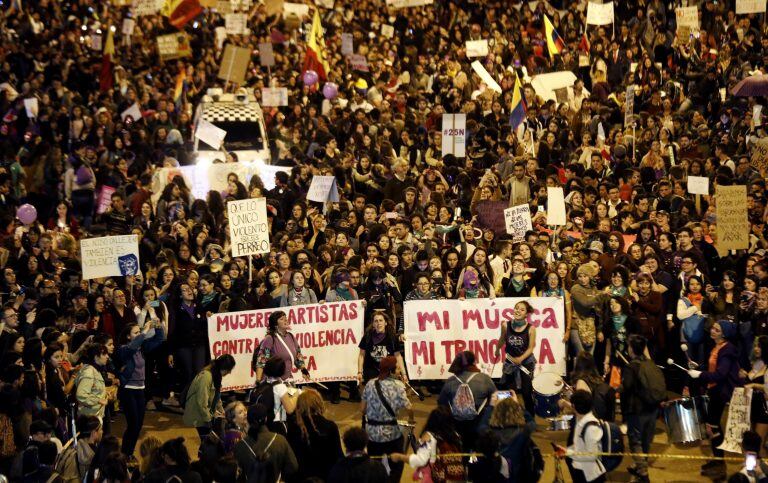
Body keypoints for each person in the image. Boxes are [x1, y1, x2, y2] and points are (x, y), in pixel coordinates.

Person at [688, 320, 742, 479]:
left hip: (721, 392)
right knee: (712, 426)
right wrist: (699, 367)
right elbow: (713, 367)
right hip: (714, 390)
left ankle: (720, 465)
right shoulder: (717, 347)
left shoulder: (728, 350)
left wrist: (700, 375)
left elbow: (720, 375)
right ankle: (717, 460)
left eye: (717, 330)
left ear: (724, 333)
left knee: (713, 427)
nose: (712, 331)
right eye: (713, 328)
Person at [361, 355, 414, 483]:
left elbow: (362, 410)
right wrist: (411, 419)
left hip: (372, 434)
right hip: (392, 434)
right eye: (397, 368)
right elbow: (409, 407)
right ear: (391, 370)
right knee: (397, 463)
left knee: (373, 463)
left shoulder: (370, 384)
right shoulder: (398, 385)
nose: (399, 370)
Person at [620, 335, 665, 483]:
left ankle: (643, 474)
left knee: (635, 442)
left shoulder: (631, 366)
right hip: (652, 409)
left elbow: (627, 388)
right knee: (646, 441)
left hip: (637, 411)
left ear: (631, 348)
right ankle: (639, 466)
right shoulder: (651, 364)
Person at [115, 321, 164, 457]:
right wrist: (144, 332)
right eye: (135, 332)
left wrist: (159, 327)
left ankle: (128, 453)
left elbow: (159, 339)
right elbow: (132, 348)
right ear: (128, 337)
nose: (139, 334)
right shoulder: (123, 349)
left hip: (140, 388)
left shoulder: (141, 347)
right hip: (128, 389)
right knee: (133, 424)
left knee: (138, 424)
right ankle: (126, 453)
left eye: (139, 332)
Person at [438, 350, 496, 450]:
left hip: (457, 427)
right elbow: (496, 398)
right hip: (480, 424)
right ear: (474, 362)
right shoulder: (485, 379)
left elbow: (441, 403)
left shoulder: (450, 381)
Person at [285, 388, 343, 481]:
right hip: (325, 476)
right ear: (319, 404)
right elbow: (338, 456)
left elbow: (290, 460)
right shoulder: (330, 426)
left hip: (301, 477)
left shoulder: (293, 428)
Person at [234, 403, 298, 483]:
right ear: (266, 418)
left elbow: (237, 475)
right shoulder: (280, 440)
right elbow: (293, 467)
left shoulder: (239, 446)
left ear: (248, 420)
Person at [555, 389, 607, 483]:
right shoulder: (581, 421)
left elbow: (591, 455)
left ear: (574, 406)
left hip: (590, 475)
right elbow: (580, 446)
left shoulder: (590, 426)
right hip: (582, 470)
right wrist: (565, 450)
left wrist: (568, 453)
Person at [496, 300, 537, 415]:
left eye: (522, 309)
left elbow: (531, 348)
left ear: (526, 314)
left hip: (526, 362)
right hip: (511, 361)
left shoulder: (531, 329)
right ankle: (508, 416)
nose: (518, 311)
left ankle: (530, 418)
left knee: (526, 391)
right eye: (516, 308)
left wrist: (521, 359)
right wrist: (497, 349)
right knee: (508, 391)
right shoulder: (505, 325)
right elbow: (502, 339)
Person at [182, 354, 236, 440]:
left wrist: (221, 411)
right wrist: (208, 419)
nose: (229, 372)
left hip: (204, 414)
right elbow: (201, 402)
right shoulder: (206, 377)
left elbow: (217, 397)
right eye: (229, 370)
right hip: (198, 416)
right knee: (207, 441)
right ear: (225, 368)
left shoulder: (216, 375)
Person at [253, 311, 309, 382]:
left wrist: (303, 369)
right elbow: (261, 360)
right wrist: (258, 380)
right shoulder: (270, 338)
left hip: (287, 380)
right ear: (275, 324)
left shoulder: (291, 337)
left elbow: (298, 356)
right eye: (282, 319)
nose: (286, 320)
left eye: (286, 318)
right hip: (272, 381)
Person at [55, 415, 103, 482]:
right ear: (94, 433)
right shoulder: (97, 454)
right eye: (100, 429)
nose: (102, 432)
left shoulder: (71, 449)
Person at [741, 336, 768, 454]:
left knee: (758, 445)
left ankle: (761, 471)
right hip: (753, 407)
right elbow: (751, 377)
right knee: (751, 445)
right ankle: (752, 470)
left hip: (764, 409)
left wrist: (754, 386)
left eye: (760, 347)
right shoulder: (759, 363)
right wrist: (745, 374)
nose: (756, 349)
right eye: (755, 346)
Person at [74, 342, 109, 421]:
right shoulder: (89, 372)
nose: (107, 356)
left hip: (94, 414)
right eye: (104, 354)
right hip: (89, 417)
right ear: (96, 357)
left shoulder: (95, 370)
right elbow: (81, 395)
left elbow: (94, 391)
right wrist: (99, 400)